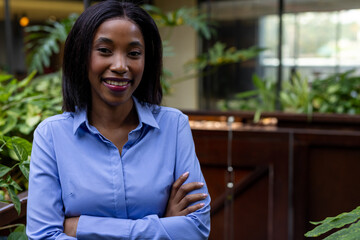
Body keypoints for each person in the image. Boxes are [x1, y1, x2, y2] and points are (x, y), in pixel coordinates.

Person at [26, 1, 210, 239]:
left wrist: (80, 227)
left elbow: (197, 228)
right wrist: (164, 225)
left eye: (134, 54)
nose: (121, 66)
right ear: (81, 56)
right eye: (105, 50)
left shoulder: (174, 127)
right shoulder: (51, 136)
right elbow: (43, 236)